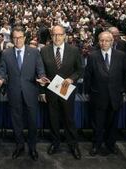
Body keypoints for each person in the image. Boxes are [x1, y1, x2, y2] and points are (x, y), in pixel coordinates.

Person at [0, 26, 48, 161]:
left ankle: (32, 147)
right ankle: (20, 145)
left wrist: (42, 77)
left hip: (31, 92)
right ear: (11, 38)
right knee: (17, 122)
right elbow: (2, 71)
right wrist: (0, 79)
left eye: (20, 37)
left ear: (25, 38)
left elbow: (40, 69)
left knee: (32, 122)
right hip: (14, 92)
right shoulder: (6, 53)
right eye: (14, 38)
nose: (17, 40)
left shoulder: (34, 52)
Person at [39, 25, 82, 159]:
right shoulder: (44, 50)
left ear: (65, 35)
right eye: (54, 35)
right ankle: (55, 142)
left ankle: (73, 144)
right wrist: (42, 91)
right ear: (51, 36)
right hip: (50, 90)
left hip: (66, 89)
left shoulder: (74, 50)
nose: (57, 37)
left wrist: (71, 78)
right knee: (53, 119)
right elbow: (41, 72)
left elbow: (79, 70)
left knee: (69, 119)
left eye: (59, 34)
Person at [84, 31, 126, 156]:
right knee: (97, 124)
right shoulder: (92, 56)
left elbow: (125, 75)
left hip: (115, 96)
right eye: (101, 40)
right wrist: (87, 92)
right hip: (98, 96)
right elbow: (88, 76)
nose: (104, 43)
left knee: (112, 123)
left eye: (107, 40)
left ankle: (110, 144)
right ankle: (96, 145)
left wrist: (124, 92)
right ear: (98, 42)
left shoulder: (121, 55)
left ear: (112, 41)